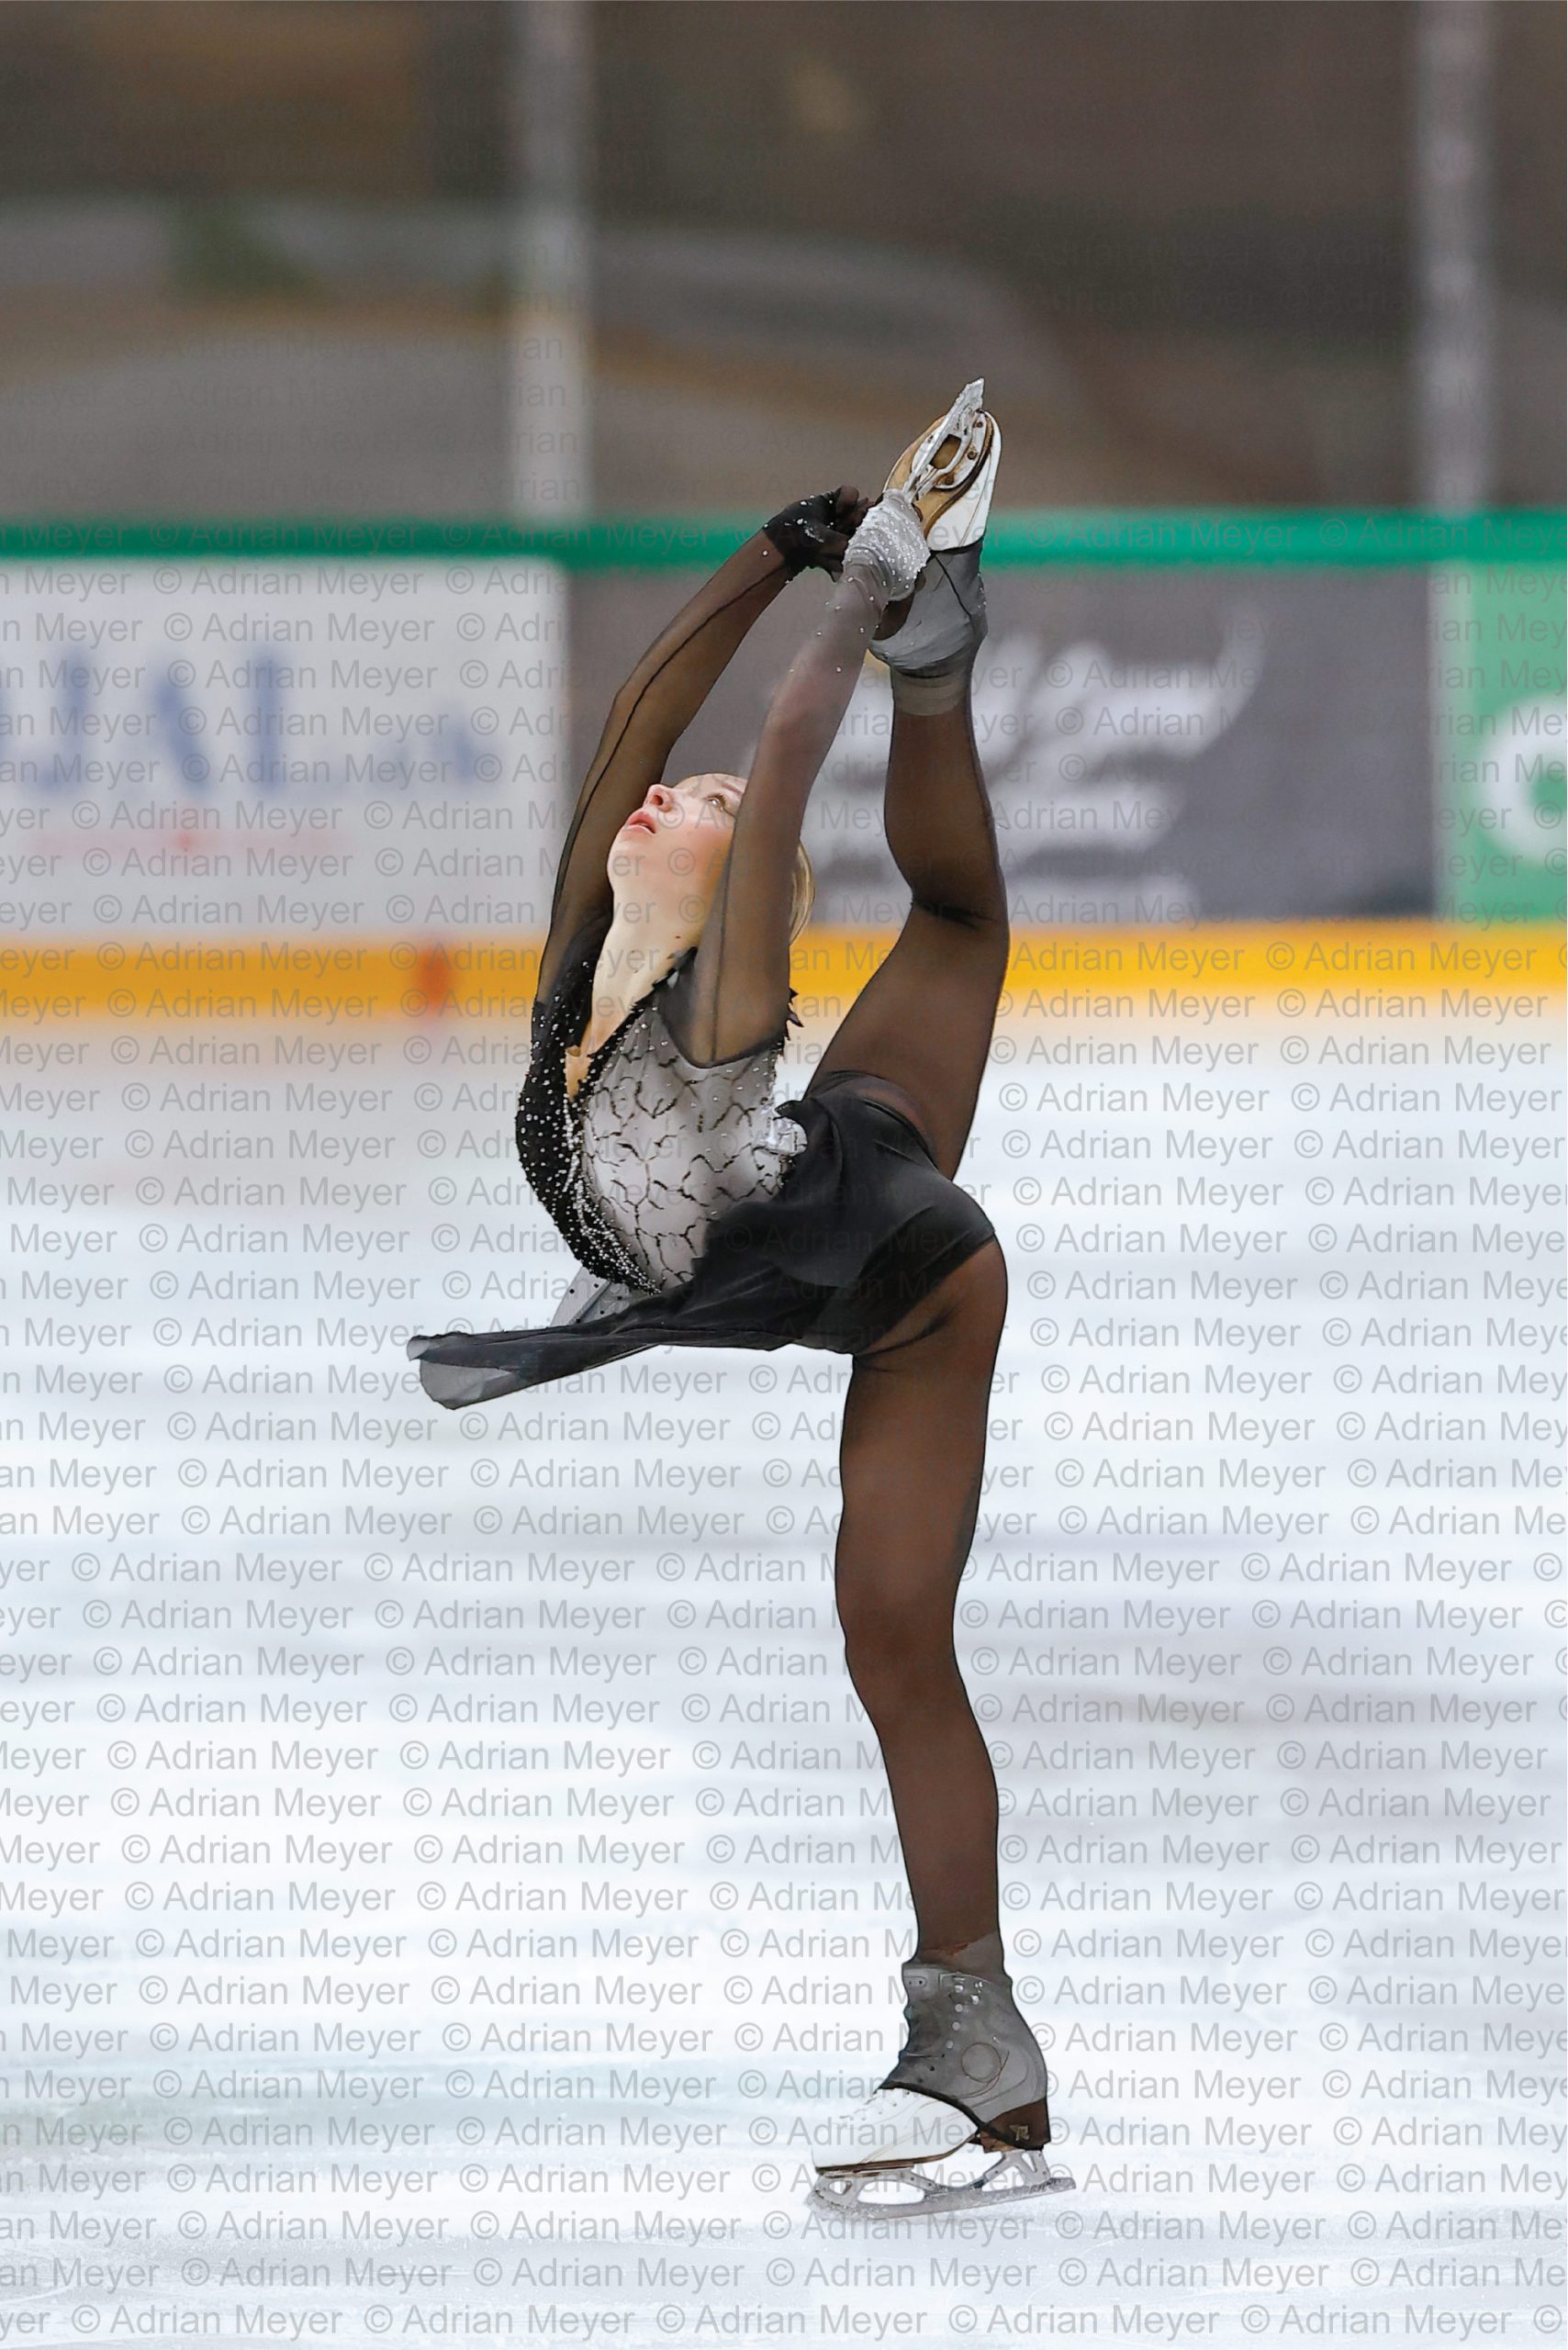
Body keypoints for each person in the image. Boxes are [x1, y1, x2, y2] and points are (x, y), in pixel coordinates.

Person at [409, 384, 1074, 2214]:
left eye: (697, 816)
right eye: (664, 802)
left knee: (888, 1637)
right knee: (954, 933)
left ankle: (972, 2043)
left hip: (900, 1273)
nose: (666, 792)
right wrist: (776, 550)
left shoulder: (708, 1015)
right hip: (808, 1171)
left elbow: (776, 759)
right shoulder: (588, 974)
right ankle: (951, 654)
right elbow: (649, 715)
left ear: (748, 908)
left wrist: (851, 605)